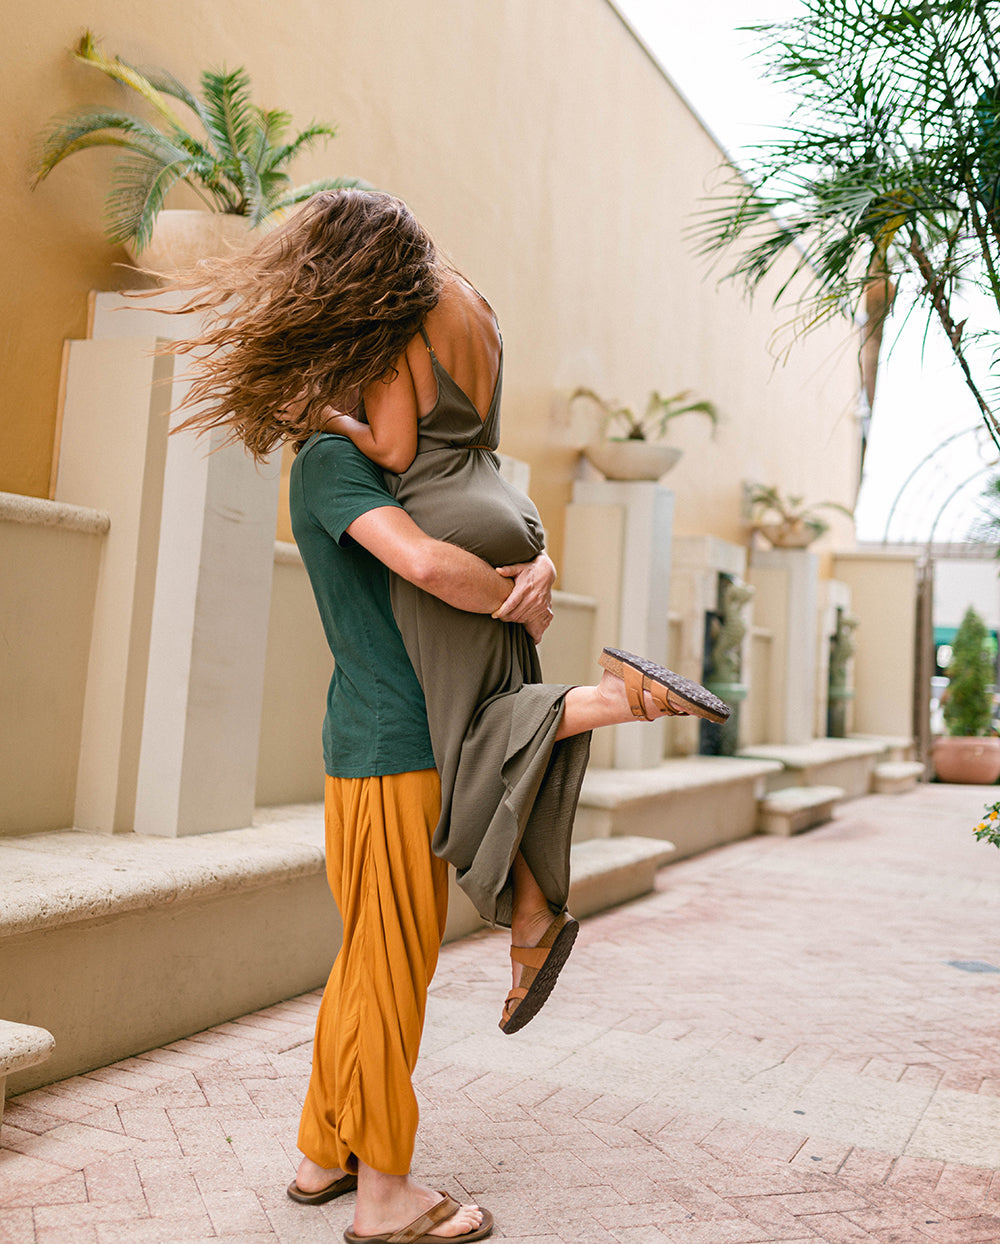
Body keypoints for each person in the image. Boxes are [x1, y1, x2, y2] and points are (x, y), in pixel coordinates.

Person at [162, 189, 729, 1243]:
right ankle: (386, 1195)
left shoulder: (373, 454)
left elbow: (450, 533)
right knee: (388, 966)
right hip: (390, 751)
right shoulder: (334, 465)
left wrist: (535, 566)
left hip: (399, 742)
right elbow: (426, 565)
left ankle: (322, 1153)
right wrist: (519, 583)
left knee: (374, 957)